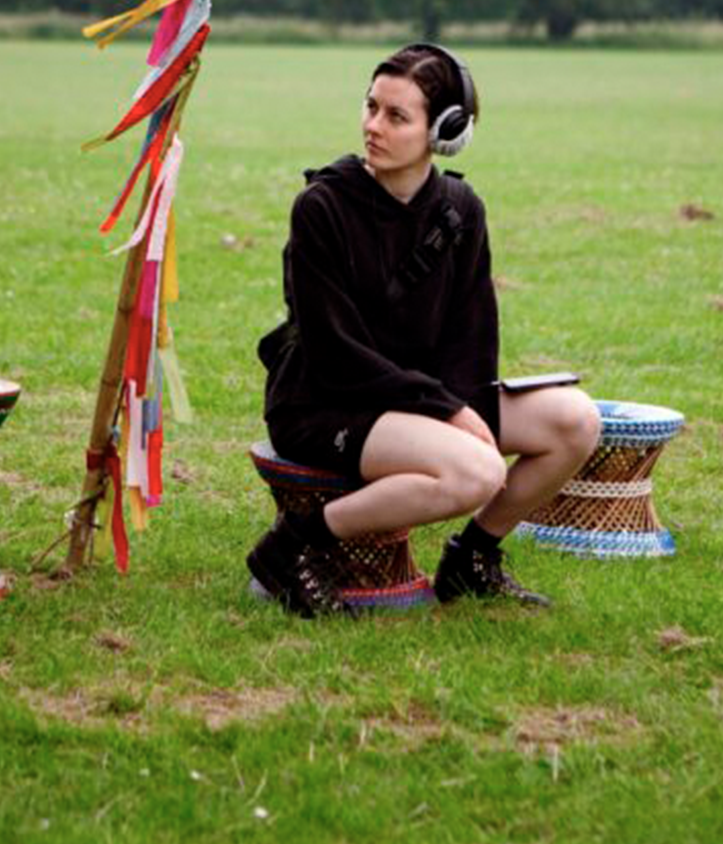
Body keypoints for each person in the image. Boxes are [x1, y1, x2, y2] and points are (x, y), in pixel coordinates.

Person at [250, 43, 601, 617]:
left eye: (396, 116)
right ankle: (293, 546)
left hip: (421, 402)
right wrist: (450, 414)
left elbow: (472, 336)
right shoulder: (322, 206)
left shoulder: (461, 209)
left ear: (445, 129)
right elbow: (336, 353)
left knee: (575, 421)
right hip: (327, 402)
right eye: (370, 108)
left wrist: (459, 404)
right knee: (478, 470)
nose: (373, 126)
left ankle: (472, 558)